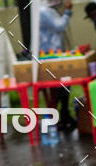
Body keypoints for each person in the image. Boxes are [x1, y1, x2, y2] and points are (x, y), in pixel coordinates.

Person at [40, 0, 77, 130]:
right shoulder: (45, 11)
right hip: (50, 55)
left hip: (55, 54)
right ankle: (57, 117)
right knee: (58, 86)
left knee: (63, 84)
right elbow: (59, 26)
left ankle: (63, 114)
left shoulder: (49, 11)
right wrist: (67, 11)